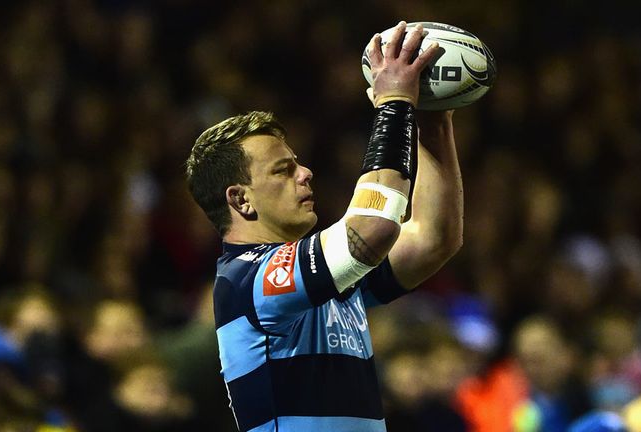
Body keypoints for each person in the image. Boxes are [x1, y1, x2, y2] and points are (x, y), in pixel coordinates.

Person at [185, 21, 463, 432]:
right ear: (240, 199)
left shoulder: (324, 282)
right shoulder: (249, 279)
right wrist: (394, 103)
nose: (306, 173)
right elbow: (371, 229)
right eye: (284, 170)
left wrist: (434, 123)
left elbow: (434, 239)